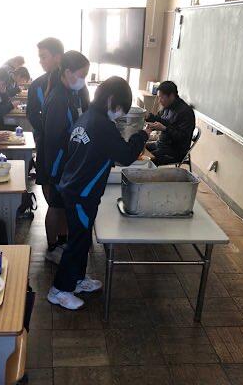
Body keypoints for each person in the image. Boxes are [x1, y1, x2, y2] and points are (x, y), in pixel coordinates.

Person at [47, 77, 151, 310]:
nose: (121, 114)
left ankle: (77, 279)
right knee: (77, 241)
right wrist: (142, 135)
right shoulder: (103, 125)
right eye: (121, 108)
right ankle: (59, 290)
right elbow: (126, 156)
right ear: (111, 100)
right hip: (82, 194)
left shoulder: (86, 117)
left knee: (82, 238)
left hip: (74, 187)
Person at [43, 50, 90, 263]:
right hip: (57, 162)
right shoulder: (58, 98)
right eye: (82, 75)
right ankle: (52, 247)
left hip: (66, 160)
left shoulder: (69, 93)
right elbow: (54, 137)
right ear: (68, 72)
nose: (83, 80)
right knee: (55, 205)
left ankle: (61, 242)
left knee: (62, 205)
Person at [27, 37, 64, 191]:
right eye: (40, 57)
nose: (40, 61)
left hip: (69, 143)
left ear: (57, 57)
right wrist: (47, 130)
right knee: (46, 178)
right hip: (45, 141)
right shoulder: (37, 85)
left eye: (43, 57)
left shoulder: (72, 82)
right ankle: (51, 204)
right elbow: (32, 113)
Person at [146, 81, 195, 166]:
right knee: (139, 147)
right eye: (158, 97)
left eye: (161, 97)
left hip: (175, 151)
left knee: (146, 159)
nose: (159, 101)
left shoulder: (186, 112)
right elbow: (160, 119)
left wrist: (164, 129)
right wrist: (148, 117)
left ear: (171, 96)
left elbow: (182, 137)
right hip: (162, 144)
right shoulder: (167, 106)